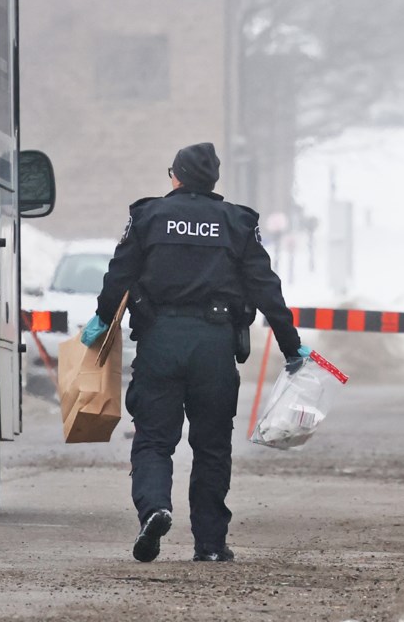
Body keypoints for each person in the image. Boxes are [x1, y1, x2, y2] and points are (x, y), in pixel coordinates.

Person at [79, 142, 310, 564]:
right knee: (212, 446)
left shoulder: (147, 216)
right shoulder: (237, 223)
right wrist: (291, 345)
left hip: (160, 341)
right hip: (215, 345)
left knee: (153, 439)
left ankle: (155, 509)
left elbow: (120, 274)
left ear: (178, 176)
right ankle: (209, 545)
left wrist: (101, 318)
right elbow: (265, 287)